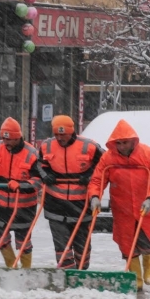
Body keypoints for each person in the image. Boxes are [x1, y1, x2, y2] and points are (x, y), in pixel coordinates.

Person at [87, 119, 150, 292]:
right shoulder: (108, 158)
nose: (121, 146)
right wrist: (94, 196)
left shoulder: (147, 154)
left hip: (145, 207)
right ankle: (136, 278)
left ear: (133, 141)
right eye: (118, 143)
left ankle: (149, 264)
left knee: (147, 242)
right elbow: (97, 180)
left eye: (124, 142)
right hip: (121, 208)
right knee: (127, 244)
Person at [0, 117, 42, 269]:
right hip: (0, 207)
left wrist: (21, 185)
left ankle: (26, 271)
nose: (6, 143)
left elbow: (39, 180)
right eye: (4, 139)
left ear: (18, 137)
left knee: (23, 243)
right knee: (1, 241)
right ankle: (12, 268)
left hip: (23, 209)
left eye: (10, 139)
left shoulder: (32, 154)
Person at [38, 115, 103, 269]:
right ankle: (67, 272)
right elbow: (38, 165)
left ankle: (82, 269)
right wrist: (45, 175)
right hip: (55, 203)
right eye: (57, 134)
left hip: (82, 204)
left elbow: (104, 165)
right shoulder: (46, 146)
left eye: (63, 134)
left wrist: (89, 176)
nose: (60, 138)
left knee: (82, 245)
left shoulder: (89, 146)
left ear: (71, 132)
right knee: (61, 244)